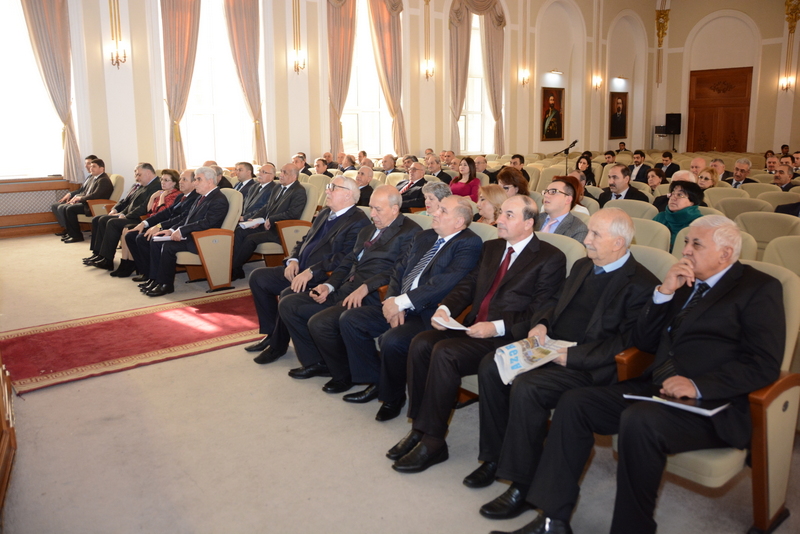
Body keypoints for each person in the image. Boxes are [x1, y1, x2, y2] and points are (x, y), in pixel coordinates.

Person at [504, 216, 784, 534]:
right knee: (574, 403)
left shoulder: (759, 288)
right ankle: (552, 519)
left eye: (696, 244)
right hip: (656, 385)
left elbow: (764, 363)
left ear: (725, 253)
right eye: (686, 242)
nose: (686, 250)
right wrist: (663, 293)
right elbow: (646, 342)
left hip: (712, 403)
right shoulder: (683, 281)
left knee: (640, 421)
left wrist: (698, 386)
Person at [473, 208, 659, 520]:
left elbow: (625, 343)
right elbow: (553, 301)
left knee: (528, 387)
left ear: (618, 242)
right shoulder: (584, 265)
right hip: (551, 345)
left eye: (595, 234)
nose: (586, 240)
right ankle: (495, 458)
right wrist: (542, 324)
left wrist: (572, 356)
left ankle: (523, 483)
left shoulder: (641, 284)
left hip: (588, 365)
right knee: (492, 366)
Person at [386, 195, 567, 474]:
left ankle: (434, 441)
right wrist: (446, 308)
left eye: (508, 215)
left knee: (445, 352)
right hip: (472, 328)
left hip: (507, 336)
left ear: (529, 223)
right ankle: (420, 428)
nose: (499, 219)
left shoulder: (550, 258)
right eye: (501, 213)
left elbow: (540, 310)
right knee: (421, 343)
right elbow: (469, 285)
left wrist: (496, 327)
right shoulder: (492, 247)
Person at [336, 196, 483, 420]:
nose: (434, 213)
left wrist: (401, 303)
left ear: (459, 222)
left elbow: (444, 283)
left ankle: (393, 398)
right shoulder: (424, 236)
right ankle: (376, 381)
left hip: (428, 312)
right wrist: (392, 300)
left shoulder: (469, 243)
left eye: (443, 211)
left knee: (392, 340)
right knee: (350, 320)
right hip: (399, 302)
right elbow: (399, 270)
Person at [278, 185, 421, 383]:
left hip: (371, 295)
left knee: (320, 322)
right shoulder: (368, 230)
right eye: (371, 208)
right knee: (289, 304)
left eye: (378, 209)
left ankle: (344, 374)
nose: (372, 214)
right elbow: (348, 262)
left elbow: (399, 270)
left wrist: (366, 287)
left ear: (395, 209)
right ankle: (317, 362)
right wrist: (328, 286)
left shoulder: (410, 232)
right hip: (345, 288)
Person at [245, 176, 370, 364]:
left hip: (320, 276)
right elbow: (305, 240)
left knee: (288, 294)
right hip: (299, 269)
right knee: (258, 278)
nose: (327, 191)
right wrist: (293, 259)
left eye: (333, 187)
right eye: (329, 187)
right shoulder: (326, 212)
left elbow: (344, 258)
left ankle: (277, 346)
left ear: (348, 194)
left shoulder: (358, 221)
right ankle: (271, 334)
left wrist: (311, 271)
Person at [142, 166, 229, 297]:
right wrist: (171, 230)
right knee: (156, 241)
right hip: (192, 235)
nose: (195, 183)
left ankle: (166, 285)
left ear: (210, 181)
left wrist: (182, 230)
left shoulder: (218, 199)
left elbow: (207, 223)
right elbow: (187, 219)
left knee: (168, 246)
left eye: (198, 179)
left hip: (204, 240)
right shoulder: (201, 197)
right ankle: (156, 280)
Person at [231, 163, 307, 280]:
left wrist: (271, 219)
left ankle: (232, 269)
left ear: (294, 176)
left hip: (280, 229)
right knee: (240, 230)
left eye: (285, 172)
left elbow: (293, 214)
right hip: (266, 225)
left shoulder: (298, 191)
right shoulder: (278, 187)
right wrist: (255, 219)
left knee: (250, 239)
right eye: (281, 171)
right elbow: (267, 207)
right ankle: (236, 269)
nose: (280, 175)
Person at [84, 163, 161, 271]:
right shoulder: (140, 185)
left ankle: (107, 260)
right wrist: (115, 210)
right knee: (98, 219)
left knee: (112, 223)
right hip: (129, 214)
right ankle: (98, 254)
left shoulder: (156, 185)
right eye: (136, 175)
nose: (137, 178)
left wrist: (124, 215)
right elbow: (126, 202)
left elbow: (143, 207)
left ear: (148, 173)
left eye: (139, 175)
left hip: (139, 218)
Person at [127, 169, 199, 285]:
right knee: (131, 235)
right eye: (180, 179)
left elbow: (182, 219)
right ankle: (146, 272)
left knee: (143, 238)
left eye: (184, 179)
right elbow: (165, 213)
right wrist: (144, 223)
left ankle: (153, 276)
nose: (180, 182)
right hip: (168, 225)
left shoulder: (195, 198)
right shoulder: (181, 196)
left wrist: (160, 227)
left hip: (177, 229)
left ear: (194, 183)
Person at [111, 169, 181, 278]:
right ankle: (126, 262)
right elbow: (149, 211)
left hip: (162, 224)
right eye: (162, 179)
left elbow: (163, 213)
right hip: (152, 221)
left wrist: (162, 198)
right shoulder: (160, 192)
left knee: (132, 233)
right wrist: (153, 197)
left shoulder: (175, 195)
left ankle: (141, 268)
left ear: (174, 183)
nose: (162, 182)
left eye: (166, 180)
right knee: (127, 230)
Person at [61, 158, 113, 243]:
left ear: (102, 168)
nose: (91, 168)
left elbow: (95, 195)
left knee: (70, 209)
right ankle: (71, 234)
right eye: (91, 166)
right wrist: (77, 199)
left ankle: (77, 236)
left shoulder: (103, 180)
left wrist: (80, 199)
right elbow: (87, 193)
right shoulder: (95, 178)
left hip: (95, 206)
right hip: (89, 203)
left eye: (94, 166)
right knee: (66, 207)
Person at [53, 154, 98, 236]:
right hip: (79, 198)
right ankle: (67, 229)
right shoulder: (89, 177)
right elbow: (81, 190)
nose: (86, 166)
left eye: (89, 164)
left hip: (86, 201)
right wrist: (70, 194)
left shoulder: (99, 179)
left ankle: (71, 231)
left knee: (62, 207)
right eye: (86, 164)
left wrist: (78, 199)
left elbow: (93, 195)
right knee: (55, 205)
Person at [653, 181, 704, 251]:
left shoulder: (700, 224)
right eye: (672, 194)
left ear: (692, 202)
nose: (673, 198)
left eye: (679, 195)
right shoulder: (661, 217)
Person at [537, 177, 588, 243]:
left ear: (568, 200)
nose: (546, 195)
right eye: (546, 192)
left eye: (553, 192)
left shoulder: (578, 229)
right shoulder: (533, 219)